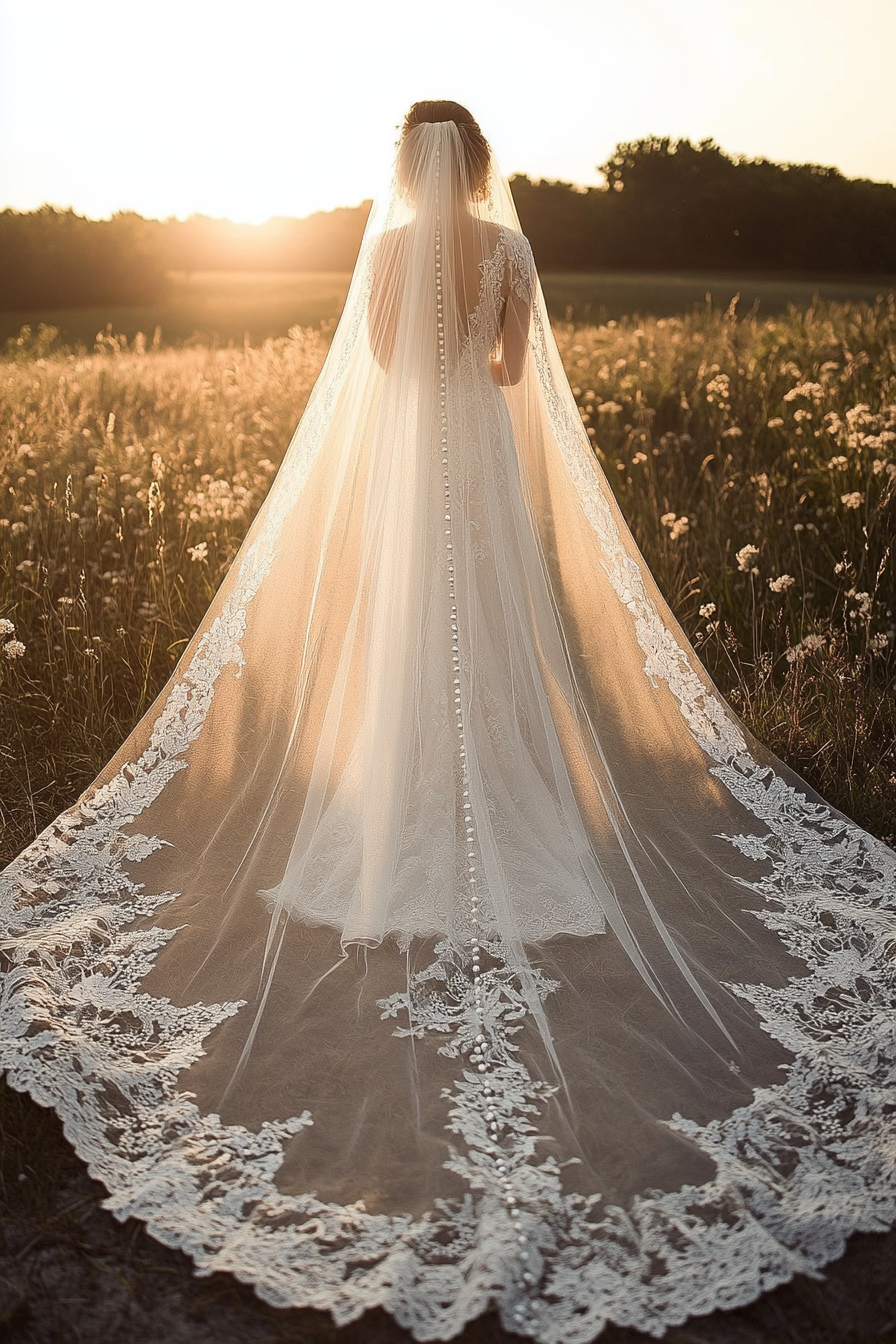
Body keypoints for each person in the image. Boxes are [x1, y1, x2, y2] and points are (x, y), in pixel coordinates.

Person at [1, 101, 894, 1342]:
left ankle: (400, 791)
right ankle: (507, 795)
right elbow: (512, 375)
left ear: (402, 169)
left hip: (408, 454)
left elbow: (378, 368)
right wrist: (471, 345)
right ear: (479, 166)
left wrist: (424, 353)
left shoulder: (378, 255)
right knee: (495, 632)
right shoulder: (510, 250)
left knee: (409, 631)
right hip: (473, 449)